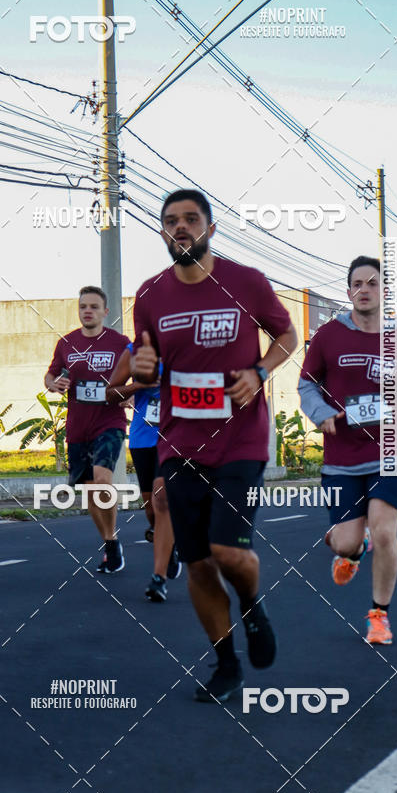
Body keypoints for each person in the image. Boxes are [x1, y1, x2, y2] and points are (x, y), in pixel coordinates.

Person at [131, 189, 297, 703]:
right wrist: (142, 369)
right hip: (179, 443)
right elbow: (148, 362)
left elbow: (288, 335)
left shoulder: (247, 282)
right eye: (171, 221)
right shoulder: (150, 295)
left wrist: (260, 370)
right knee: (199, 563)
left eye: (190, 219)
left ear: (210, 228)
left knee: (229, 550)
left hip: (240, 439)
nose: (180, 227)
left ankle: (252, 604)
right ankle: (227, 665)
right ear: (163, 232)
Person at [298, 256, 397, 645]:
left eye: (372, 283)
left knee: (385, 530)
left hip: (390, 448)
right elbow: (306, 383)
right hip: (342, 454)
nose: (364, 289)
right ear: (348, 292)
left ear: (384, 292)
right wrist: (321, 413)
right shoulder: (328, 336)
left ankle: (379, 616)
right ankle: (350, 549)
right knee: (346, 542)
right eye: (357, 283)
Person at [45, 285, 129, 573]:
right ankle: (111, 541)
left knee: (103, 481)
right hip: (78, 427)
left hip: (110, 422)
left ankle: (112, 542)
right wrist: (53, 384)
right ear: (79, 310)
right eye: (83, 307)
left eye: (94, 306)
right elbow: (51, 373)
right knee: (91, 492)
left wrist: (129, 393)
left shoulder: (120, 343)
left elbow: (138, 375)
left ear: (105, 312)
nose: (88, 311)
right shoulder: (67, 343)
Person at [106, 346, 181, 602]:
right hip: (142, 438)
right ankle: (166, 541)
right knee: (150, 506)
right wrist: (139, 386)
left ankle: (159, 576)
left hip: (175, 437)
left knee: (163, 497)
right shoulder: (133, 351)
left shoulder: (183, 342)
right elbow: (111, 394)